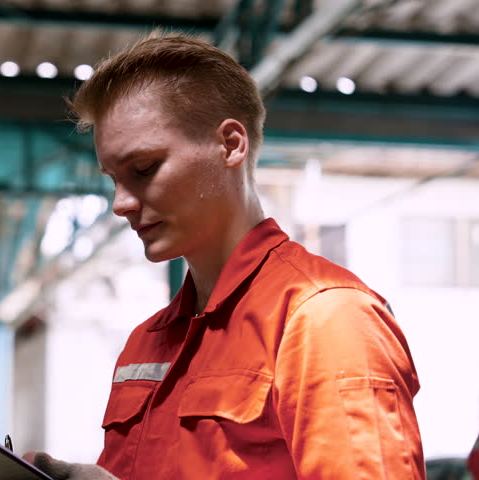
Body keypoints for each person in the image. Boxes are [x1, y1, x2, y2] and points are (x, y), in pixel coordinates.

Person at [23, 31, 425, 479]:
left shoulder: (323, 320)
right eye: (113, 179)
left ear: (231, 145)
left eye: (144, 169)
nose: (121, 203)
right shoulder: (147, 343)